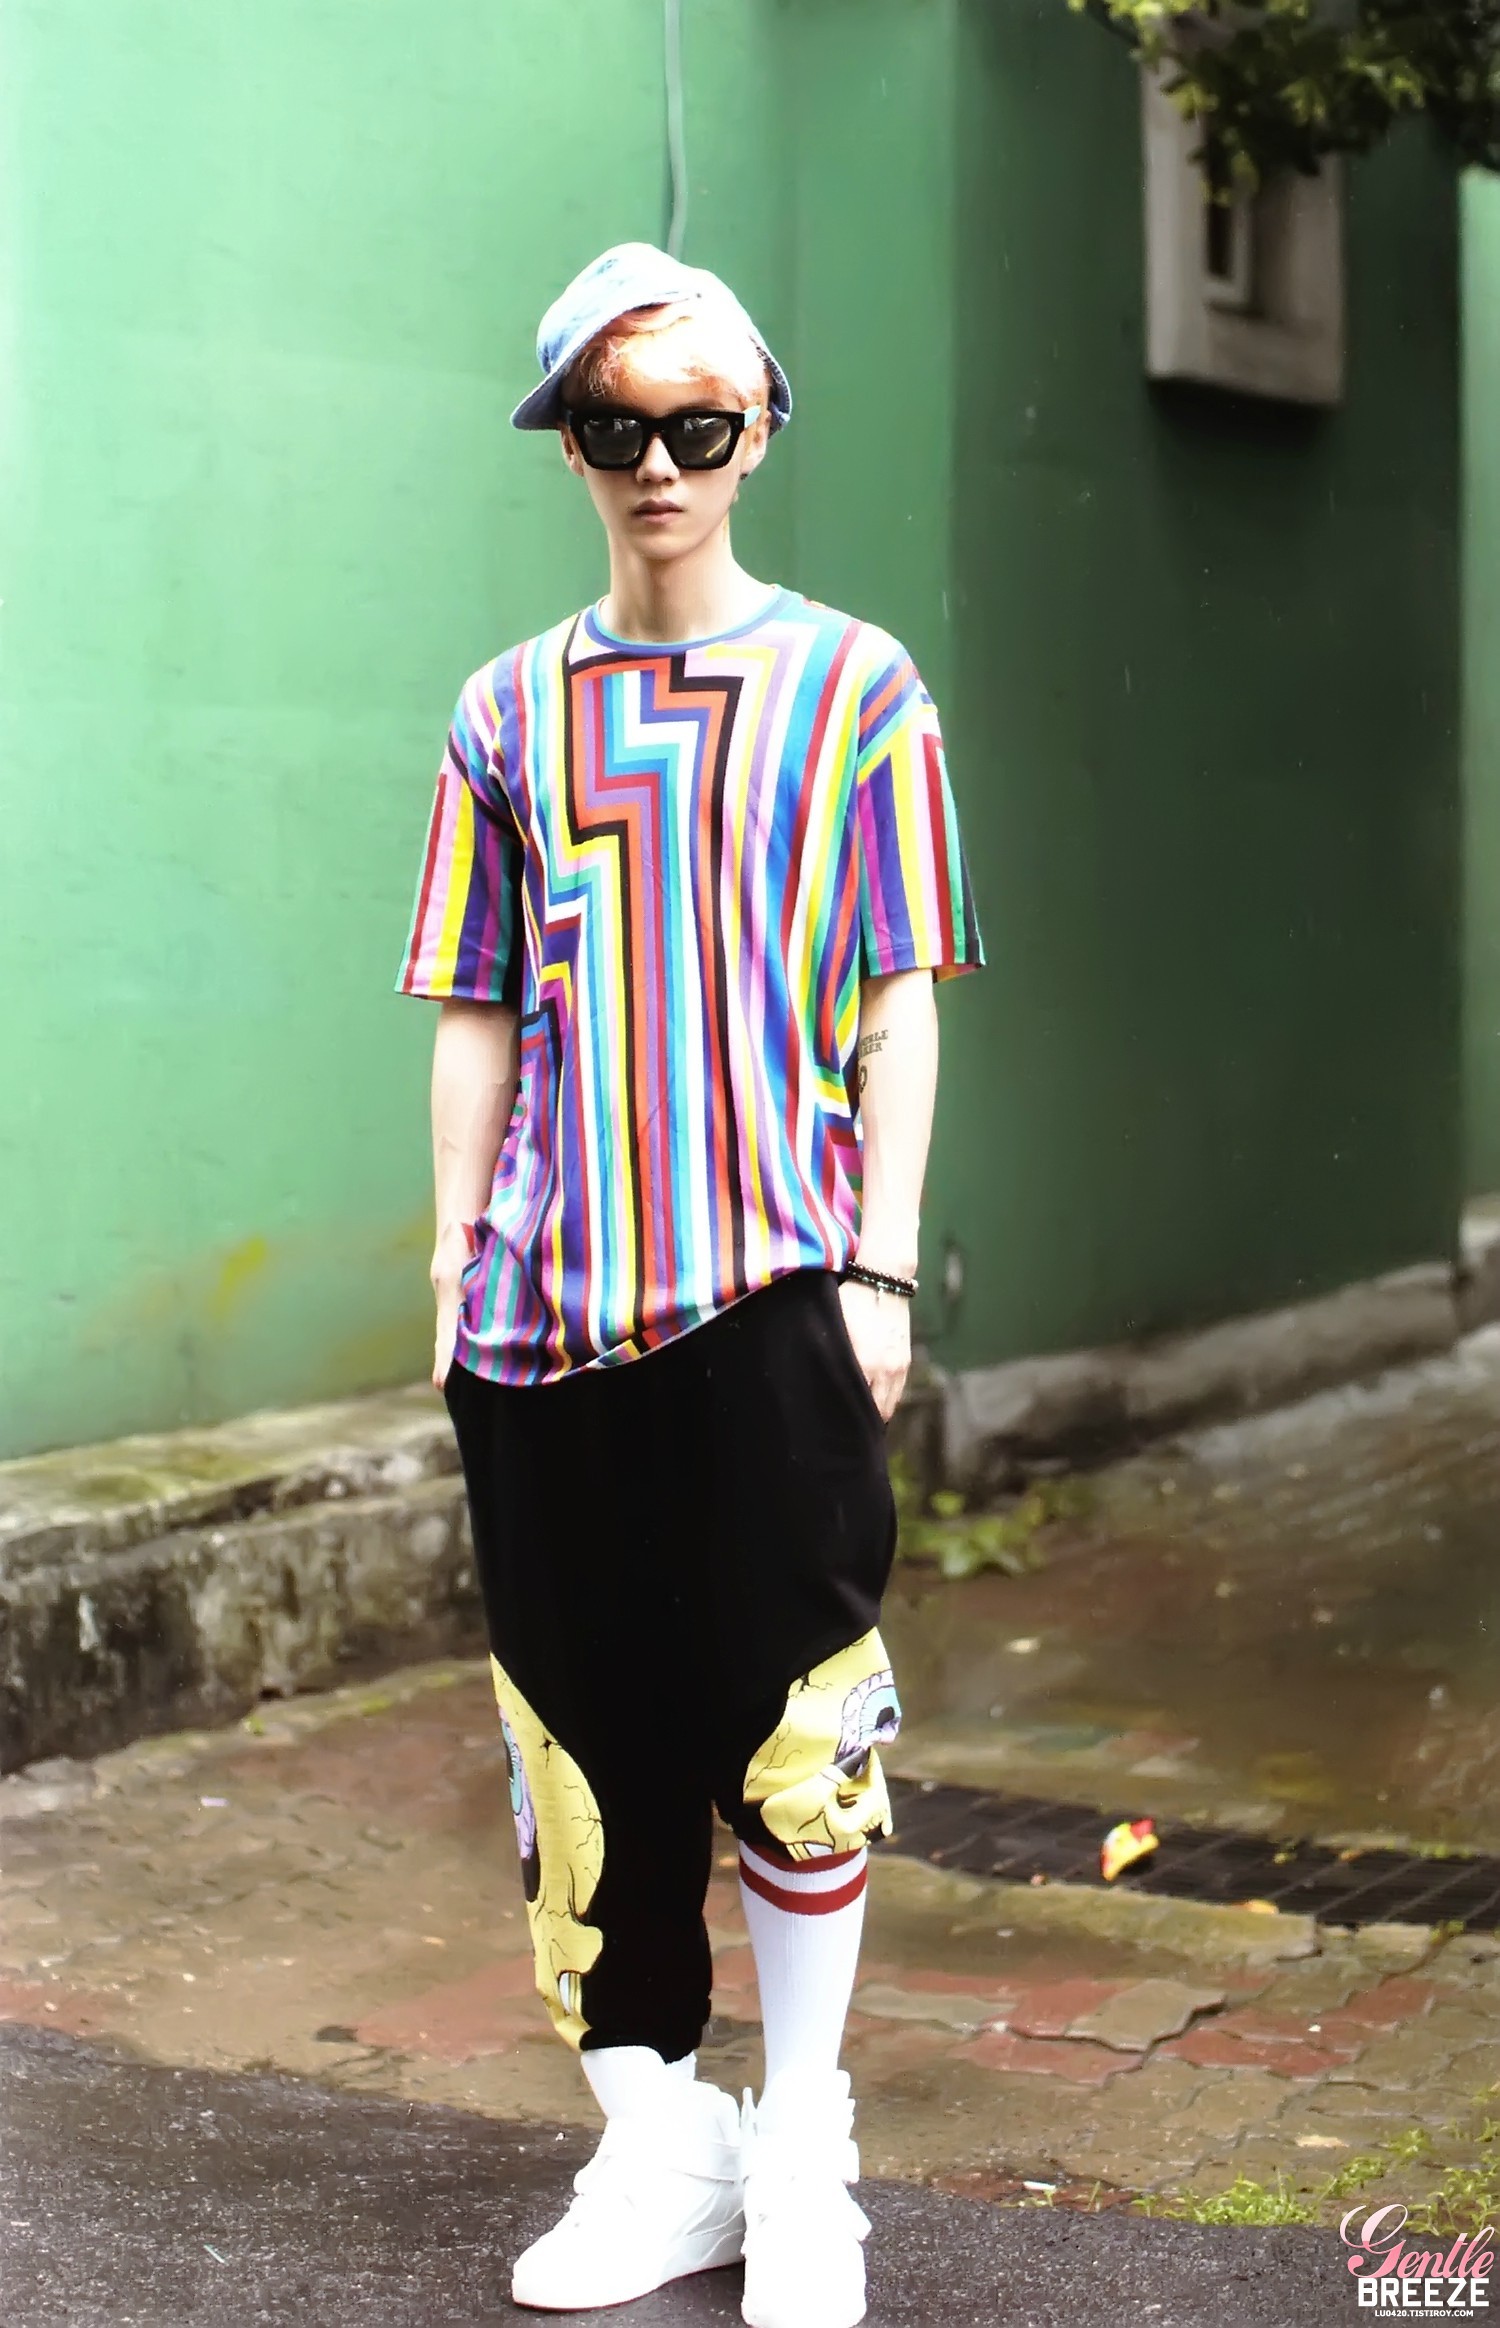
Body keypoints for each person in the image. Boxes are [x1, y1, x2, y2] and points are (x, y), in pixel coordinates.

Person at [396, 241, 985, 2328]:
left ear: (758, 435)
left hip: (774, 1295)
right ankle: (662, 2144)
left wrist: (882, 1267)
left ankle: (804, 2151)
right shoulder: (505, 711)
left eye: (699, 425)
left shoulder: (860, 689)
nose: (659, 463)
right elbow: (478, 1005)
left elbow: (901, 1000)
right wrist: (455, 1255)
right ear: (568, 442)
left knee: (799, 1736)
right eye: (616, 425)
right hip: (544, 1323)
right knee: (581, 1752)